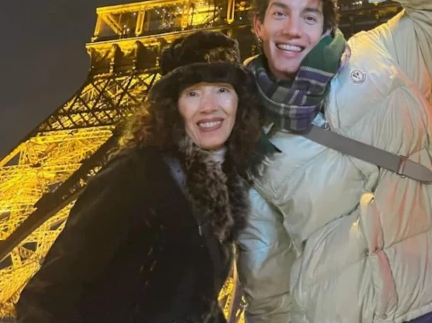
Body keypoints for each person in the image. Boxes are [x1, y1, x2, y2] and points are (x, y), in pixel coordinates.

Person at [237, 0, 432, 322]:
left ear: (327, 28)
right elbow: (268, 275)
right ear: (259, 26)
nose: (292, 29)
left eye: (309, 16)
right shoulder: (250, 135)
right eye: (280, 14)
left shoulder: (384, 54)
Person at [16, 31, 266, 323]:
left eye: (222, 90)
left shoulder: (215, 190)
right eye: (193, 93)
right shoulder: (137, 174)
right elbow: (51, 295)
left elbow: (195, 304)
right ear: (172, 106)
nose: (210, 105)